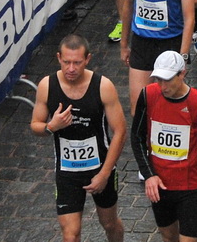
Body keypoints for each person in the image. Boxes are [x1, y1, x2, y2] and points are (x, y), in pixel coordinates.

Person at [31, 34, 128, 242]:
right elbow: (35, 125)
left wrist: (104, 174)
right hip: (67, 172)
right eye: (66, 62)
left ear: (88, 59)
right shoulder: (47, 86)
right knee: (70, 234)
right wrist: (51, 126)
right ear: (58, 58)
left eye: (77, 62)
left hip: (100, 168)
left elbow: (120, 131)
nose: (71, 68)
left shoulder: (103, 86)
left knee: (110, 224)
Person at [129, 50, 197, 242]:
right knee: (168, 237)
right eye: (159, 79)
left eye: (167, 80)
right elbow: (137, 137)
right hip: (160, 186)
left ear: (182, 73)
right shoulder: (148, 95)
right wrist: (149, 175)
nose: (162, 86)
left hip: (188, 186)